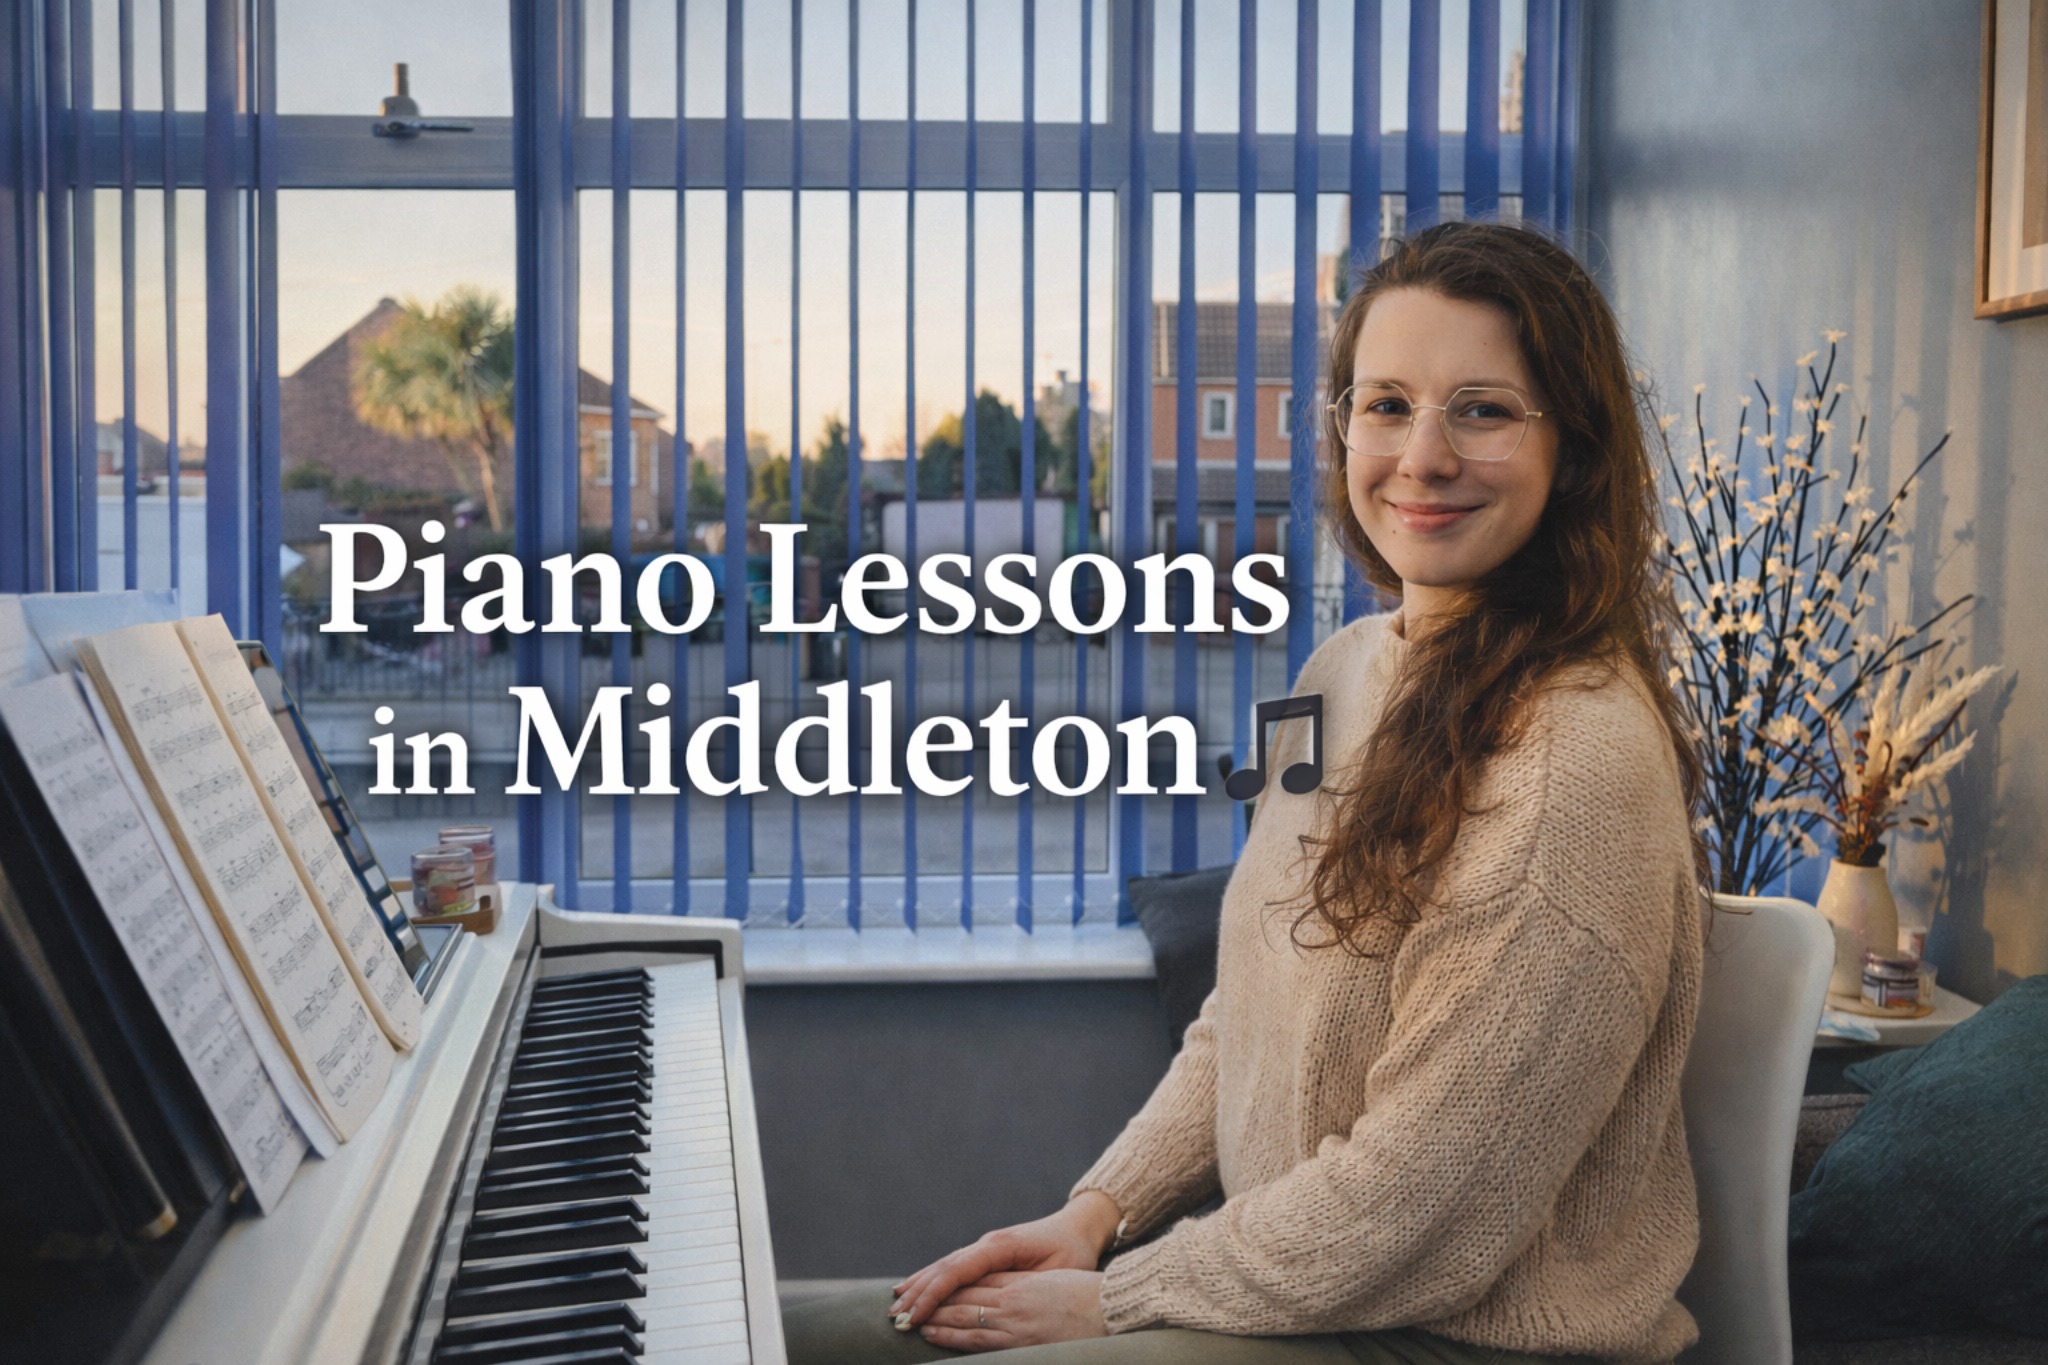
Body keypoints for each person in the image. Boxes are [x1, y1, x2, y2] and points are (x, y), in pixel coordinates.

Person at [784, 220, 1712, 1365]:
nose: (1420, 455)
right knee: (767, 1335)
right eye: (1383, 404)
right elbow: (1249, 1008)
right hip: (1301, 1289)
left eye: (1480, 409)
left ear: (1570, 449)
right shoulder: (1340, 672)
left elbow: (1423, 1199)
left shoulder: (1574, 766)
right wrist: (1095, 1217)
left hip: (1449, 1337)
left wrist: (1117, 1299)